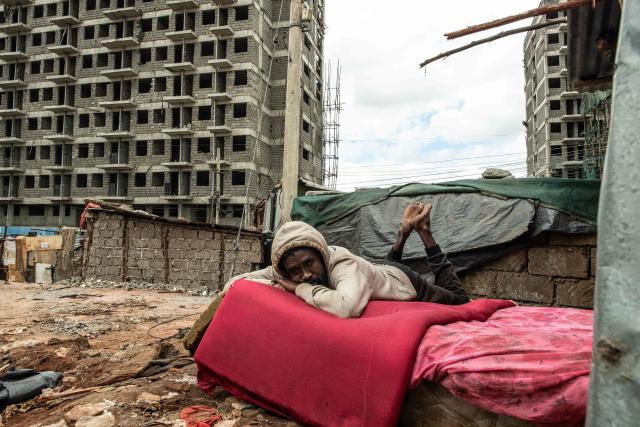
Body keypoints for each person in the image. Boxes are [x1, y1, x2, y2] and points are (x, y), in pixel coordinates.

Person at [224, 202, 469, 318]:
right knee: (376, 271)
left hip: (404, 281)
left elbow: (345, 307)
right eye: (296, 271)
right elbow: (234, 283)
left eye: (309, 264)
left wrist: (299, 287)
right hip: (376, 270)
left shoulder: (342, 264)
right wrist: (279, 281)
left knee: (459, 299)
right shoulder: (288, 269)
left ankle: (423, 231)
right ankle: (403, 234)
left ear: (321, 253)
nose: (306, 274)